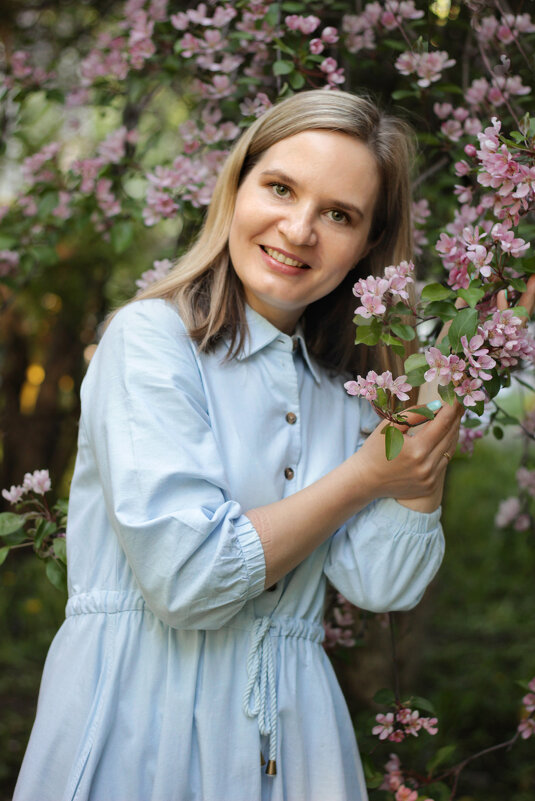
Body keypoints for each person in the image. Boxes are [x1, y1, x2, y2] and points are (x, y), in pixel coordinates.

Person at [15, 90, 464, 801]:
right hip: (144, 717)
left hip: (295, 737)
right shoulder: (150, 342)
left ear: (368, 246)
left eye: (338, 214)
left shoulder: (343, 386)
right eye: (280, 188)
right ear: (236, 185)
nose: (298, 229)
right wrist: (361, 476)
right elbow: (187, 578)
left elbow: (381, 582)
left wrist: (443, 399)